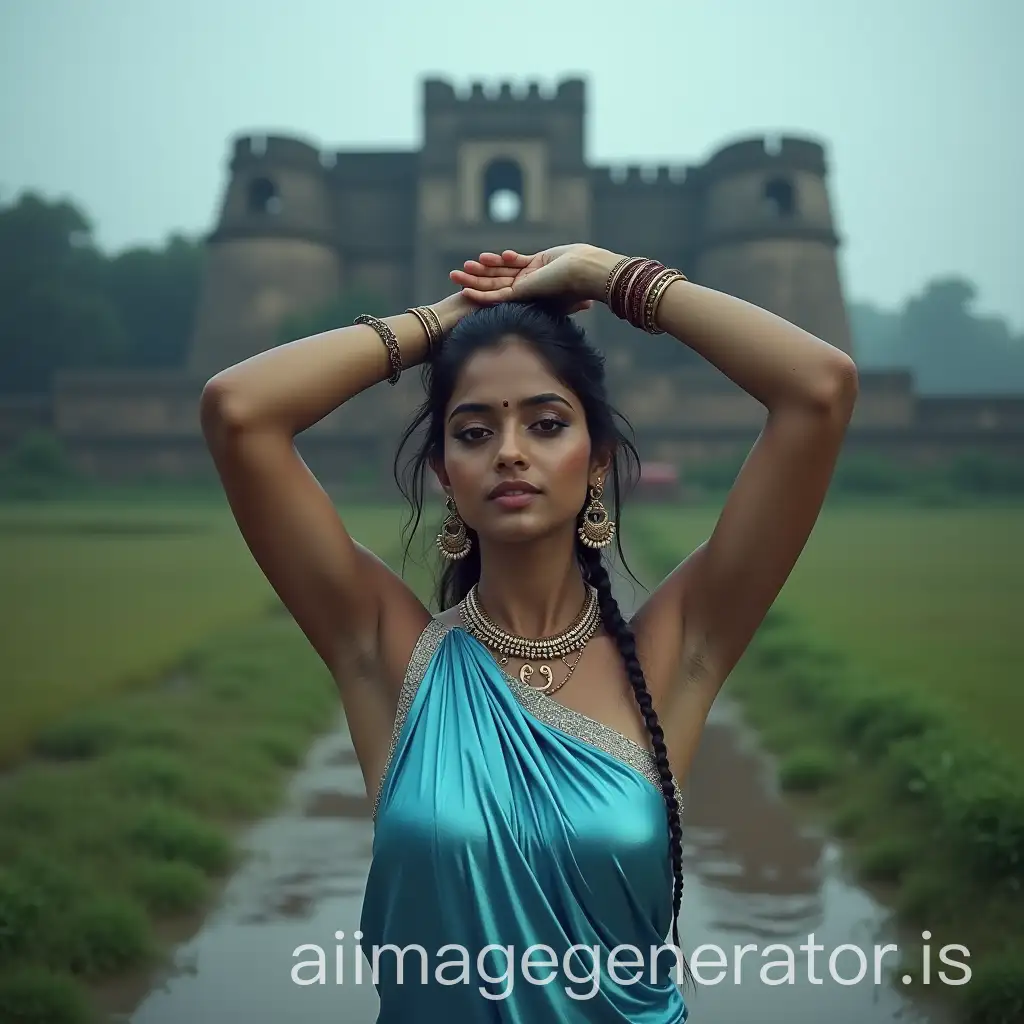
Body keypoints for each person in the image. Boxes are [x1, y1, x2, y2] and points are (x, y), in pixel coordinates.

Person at [200, 243, 859, 1021]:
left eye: (546, 424)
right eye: (474, 432)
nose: (510, 451)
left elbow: (820, 389)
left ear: (597, 462)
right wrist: (448, 318)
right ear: (445, 473)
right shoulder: (391, 656)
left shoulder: (675, 652)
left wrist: (604, 275)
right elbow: (239, 412)